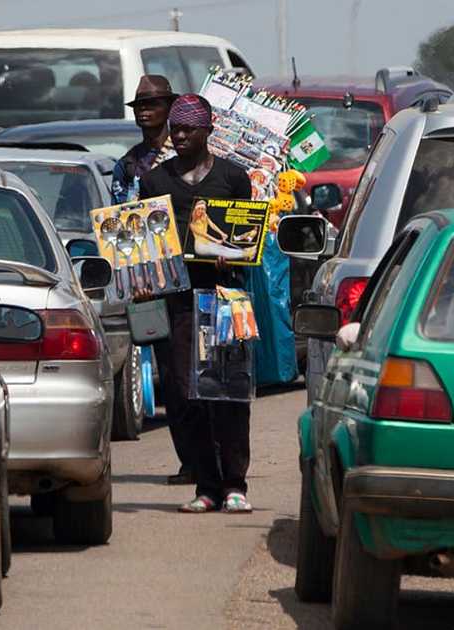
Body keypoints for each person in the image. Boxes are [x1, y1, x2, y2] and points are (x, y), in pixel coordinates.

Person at [138, 93, 255, 513]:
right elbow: (143, 243)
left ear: (209, 131)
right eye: (176, 127)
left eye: (189, 127)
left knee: (228, 393)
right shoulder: (155, 181)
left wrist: (234, 254)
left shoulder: (234, 177)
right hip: (179, 302)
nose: (181, 135)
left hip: (226, 298)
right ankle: (206, 486)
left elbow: (248, 239)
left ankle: (235, 484)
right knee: (187, 396)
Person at [111, 75, 178, 204]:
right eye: (139, 104)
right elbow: (119, 212)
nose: (143, 108)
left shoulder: (184, 154)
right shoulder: (128, 163)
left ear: (169, 108)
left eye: (152, 103)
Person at [188, 200, 257, 260]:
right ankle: (246, 254)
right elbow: (204, 234)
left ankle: (245, 252)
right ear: (195, 210)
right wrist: (216, 240)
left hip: (207, 243)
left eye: (202, 209)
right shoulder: (192, 225)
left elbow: (213, 225)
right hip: (200, 247)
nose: (201, 210)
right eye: (199, 208)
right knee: (222, 251)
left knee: (223, 248)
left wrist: (222, 234)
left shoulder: (205, 217)